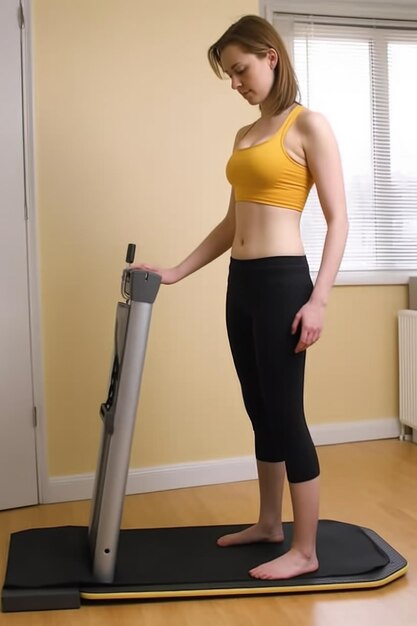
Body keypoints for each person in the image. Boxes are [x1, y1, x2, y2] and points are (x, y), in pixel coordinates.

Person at [135, 15, 348, 580]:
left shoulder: (308, 126)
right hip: (243, 284)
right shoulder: (246, 135)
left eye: (240, 69)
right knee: (260, 410)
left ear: (270, 56)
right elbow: (233, 221)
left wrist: (319, 300)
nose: (236, 83)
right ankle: (269, 523)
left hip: (284, 284)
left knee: (286, 413)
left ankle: (306, 550)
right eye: (229, 75)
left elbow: (338, 219)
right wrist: (177, 270)